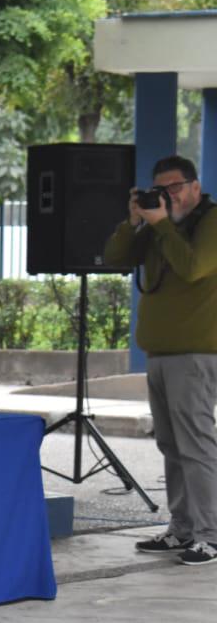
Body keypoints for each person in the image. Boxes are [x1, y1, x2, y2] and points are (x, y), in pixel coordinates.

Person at [105, 154, 217, 566]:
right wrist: (135, 220)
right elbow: (116, 257)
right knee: (171, 445)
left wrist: (161, 224)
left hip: (196, 353)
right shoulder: (157, 226)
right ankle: (182, 529)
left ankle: (210, 534)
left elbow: (193, 267)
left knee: (197, 446)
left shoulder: (210, 222)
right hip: (161, 352)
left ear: (194, 187)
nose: (167, 195)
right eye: (160, 188)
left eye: (174, 187)